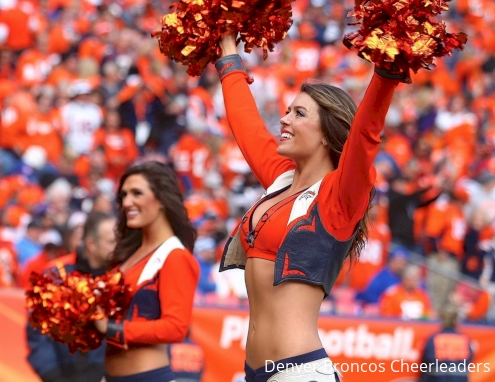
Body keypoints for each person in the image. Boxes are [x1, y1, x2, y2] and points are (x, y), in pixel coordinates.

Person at [215, 32, 401, 382]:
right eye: (287, 111)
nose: (284, 120)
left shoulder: (340, 197)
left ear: (327, 134)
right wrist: (228, 55)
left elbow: (364, 134)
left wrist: (386, 74)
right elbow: (246, 125)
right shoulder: (282, 179)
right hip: (254, 372)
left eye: (298, 114)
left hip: (300, 372)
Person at [94, 161, 200, 382]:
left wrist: (114, 329)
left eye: (137, 193)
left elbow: (176, 328)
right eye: (123, 195)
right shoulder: (127, 254)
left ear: (161, 199)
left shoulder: (175, 256)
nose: (126, 202)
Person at [26, 211, 117, 382]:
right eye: (111, 242)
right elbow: (37, 331)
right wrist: (52, 375)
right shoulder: (56, 275)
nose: (117, 247)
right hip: (64, 375)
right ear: (91, 244)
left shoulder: (121, 277)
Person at [419, 304, 474, 382]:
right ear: (456, 320)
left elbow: (426, 361)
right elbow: (470, 359)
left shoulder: (433, 339)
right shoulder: (465, 339)